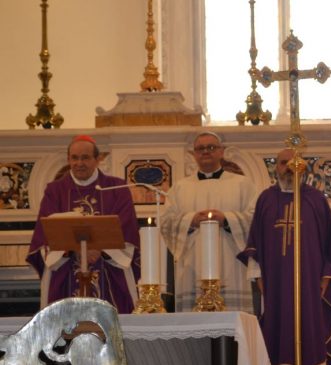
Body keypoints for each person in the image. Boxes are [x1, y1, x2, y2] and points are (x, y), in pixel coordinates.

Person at [239, 148, 331, 365]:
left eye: (295, 164)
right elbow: (256, 240)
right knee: (275, 326)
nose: (289, 168)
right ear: (276, 168)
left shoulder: (315, 200)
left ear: (304, 168)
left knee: (310, 326)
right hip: (275, 283)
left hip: (309, 283)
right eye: (283, 163)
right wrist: (258, 276)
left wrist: (325, 277)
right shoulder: (266, 199)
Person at [27, 135, 141, 315]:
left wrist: (98, 250)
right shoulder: (55, 190)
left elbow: (126, 229)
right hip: (66, 268)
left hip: (108, 268)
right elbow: (45, 232)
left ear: (97, 160)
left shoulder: (116, 188)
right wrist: (76, 250)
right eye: (74, 158)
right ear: (68, 159)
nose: (79, 163)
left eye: (85, 157)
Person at [161, 131, 259, 312]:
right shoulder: (180, 187)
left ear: (221, 152)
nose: (205, 152)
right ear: (194, 154)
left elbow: (256, 218)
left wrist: (227, 219)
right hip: (192, 266)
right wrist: (191, 220)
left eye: (211, 147)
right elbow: (166, 222)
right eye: (200, 149)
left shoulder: (243, 184)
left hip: (231, 264)